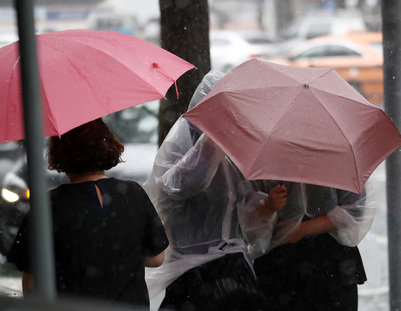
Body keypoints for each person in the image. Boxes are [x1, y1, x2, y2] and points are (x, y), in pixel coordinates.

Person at [143, 70, 287, 311]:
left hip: (234, 273)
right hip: (194, 278)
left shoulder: (234, 154)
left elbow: (244, 218)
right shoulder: (182, 143)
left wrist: (268, 206)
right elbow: (182, 185)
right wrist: (214, 136)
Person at [7, 118, 169, 308]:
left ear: (59, 154)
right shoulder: (133, 193)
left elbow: (31, 284)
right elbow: (157, 259)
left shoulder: (48, 205)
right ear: (108, 146)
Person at [249, 181, 375, 311]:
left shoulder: (340, 163)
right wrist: (268, 207)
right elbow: (247, 217)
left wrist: (303, 229)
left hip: (331, 261)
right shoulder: (266, 167)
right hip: (280, 263)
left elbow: (354, 210)